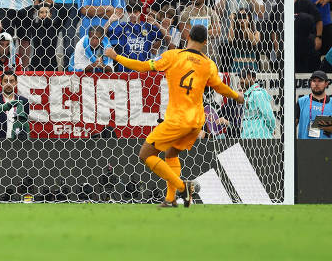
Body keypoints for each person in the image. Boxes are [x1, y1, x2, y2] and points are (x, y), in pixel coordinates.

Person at [104, 24, 245, 208]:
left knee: (145, 154)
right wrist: (236, 96)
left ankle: (182, 187)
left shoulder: (173, 56)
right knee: (171, 154)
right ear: (205, 41)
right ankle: (171, 199)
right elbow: (219, 86)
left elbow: (143, 66)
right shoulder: (209, 64)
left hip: (178, 119)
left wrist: (116, 57)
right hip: (196, 121)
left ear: (188, 37)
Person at [0, 68, 30, 139]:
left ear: (16, 83)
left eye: (11, 81)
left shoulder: (23, 101)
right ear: (1, 83)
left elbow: (24, 124)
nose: (8, 84)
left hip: (17, 143)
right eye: (6, 81)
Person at [239, 68, 276, 139]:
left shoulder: (258, 94)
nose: (241, 80)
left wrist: (270, 130)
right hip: (247, 137)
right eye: (240, 77)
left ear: (253, 78)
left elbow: (269, 115)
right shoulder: (247, 95)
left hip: (259, 137)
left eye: (244, 77)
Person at [296, 70, 332, 139]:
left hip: (327, 147)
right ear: (310, 82)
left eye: (320, 81)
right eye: (314, 81)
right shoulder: (302, 101)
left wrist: (327, 128)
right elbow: (291, 127)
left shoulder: (331, 102)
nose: (316, 84)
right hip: (305, 146)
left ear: (326, 83)